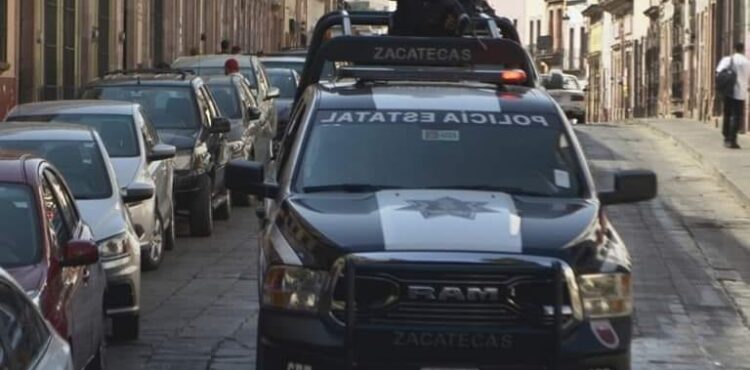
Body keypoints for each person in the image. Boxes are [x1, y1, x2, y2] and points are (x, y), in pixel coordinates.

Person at [716, 42, 750, 149]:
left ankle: (726, 137)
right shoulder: (747, 62)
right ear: (743, 50)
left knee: (727, 114)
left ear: (734, 49)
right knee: (736, 116)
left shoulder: (727, 60)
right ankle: (732, 139)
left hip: (728, 91)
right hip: (740, 93)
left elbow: (718, 73)